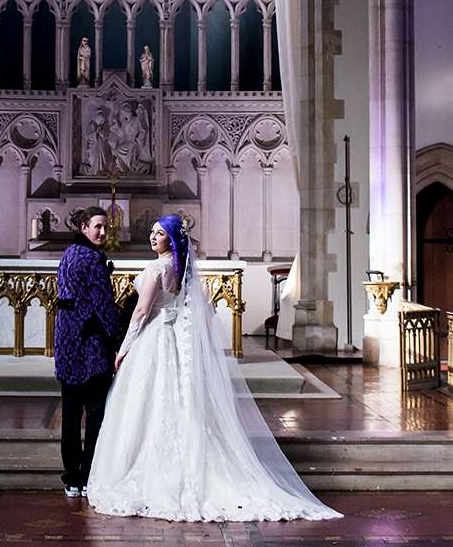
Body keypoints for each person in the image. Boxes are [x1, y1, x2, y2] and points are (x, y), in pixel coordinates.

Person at [86, 214, 342, 523]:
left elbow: (141, 312)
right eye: (152, 232)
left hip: (153, 338)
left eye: (160, 233)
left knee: (148, 401)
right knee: (174, 400)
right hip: (173, 339)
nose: (153, 237)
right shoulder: (181, 267)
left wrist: (124, 347)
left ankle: (150, 469)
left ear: (172, 239)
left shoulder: (156, 268)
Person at [54, 206, 120, 498]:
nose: (103, 232)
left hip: (67, 338)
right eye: (98, 227)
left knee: (70, 411)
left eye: (106, 227)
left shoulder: (69, 253)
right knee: (94, 411)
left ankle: (72, 477)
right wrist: (119, 336)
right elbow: (103, 305)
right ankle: (87, 474)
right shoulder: (93, 259)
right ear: (84, 227)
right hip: (89, 342)